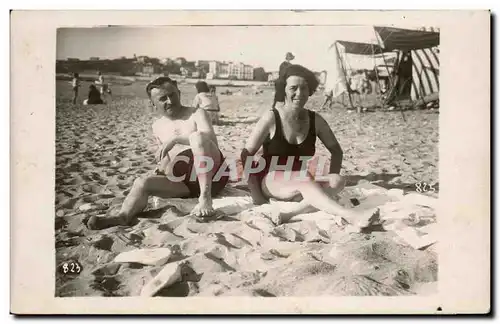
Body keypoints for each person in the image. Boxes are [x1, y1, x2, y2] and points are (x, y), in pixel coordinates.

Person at [240, 64, 380, 230]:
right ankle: (351, 216)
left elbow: (336, 150)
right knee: (304, 178)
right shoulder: (272, 117)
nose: (299, 93)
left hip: (300, 182)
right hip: (271, 180)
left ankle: (290, 215)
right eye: (293, 88)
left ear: (310, 90)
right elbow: (246, 154)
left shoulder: (315, 120)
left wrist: (333, 173)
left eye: (304, 88)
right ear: (283, 90)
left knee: (338, 181)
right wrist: (256, 194)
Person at [86, 77, 229, 230]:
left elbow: (210, 139)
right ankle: (123, 216)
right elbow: (165, 161)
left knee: (197, 136)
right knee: (142, 182)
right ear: (153, 103)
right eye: (162, 98)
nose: (169, 100)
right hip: (185, 182)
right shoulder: (157, 126)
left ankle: (205, 198)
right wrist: (161, 169)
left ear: (179, 93)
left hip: (213, 174)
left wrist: (175, 139)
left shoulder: (196, 113)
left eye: (172, 95)